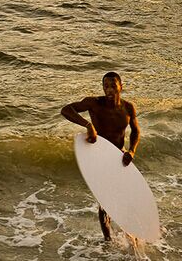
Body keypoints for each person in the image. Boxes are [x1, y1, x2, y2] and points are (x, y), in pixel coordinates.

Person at [61, 72, 141, 241]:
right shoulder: (94, 104)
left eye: (113, 85)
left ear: (121, 86)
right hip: (100, 157)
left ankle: (130, 234)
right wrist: (88, 125)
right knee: (105, 202)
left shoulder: (128, 108)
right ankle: (108, 240)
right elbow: (66, 110)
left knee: (125, 197)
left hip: (120, 157)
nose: (109, 89)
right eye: (106, 86)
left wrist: (132, 150)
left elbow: (135, 131)